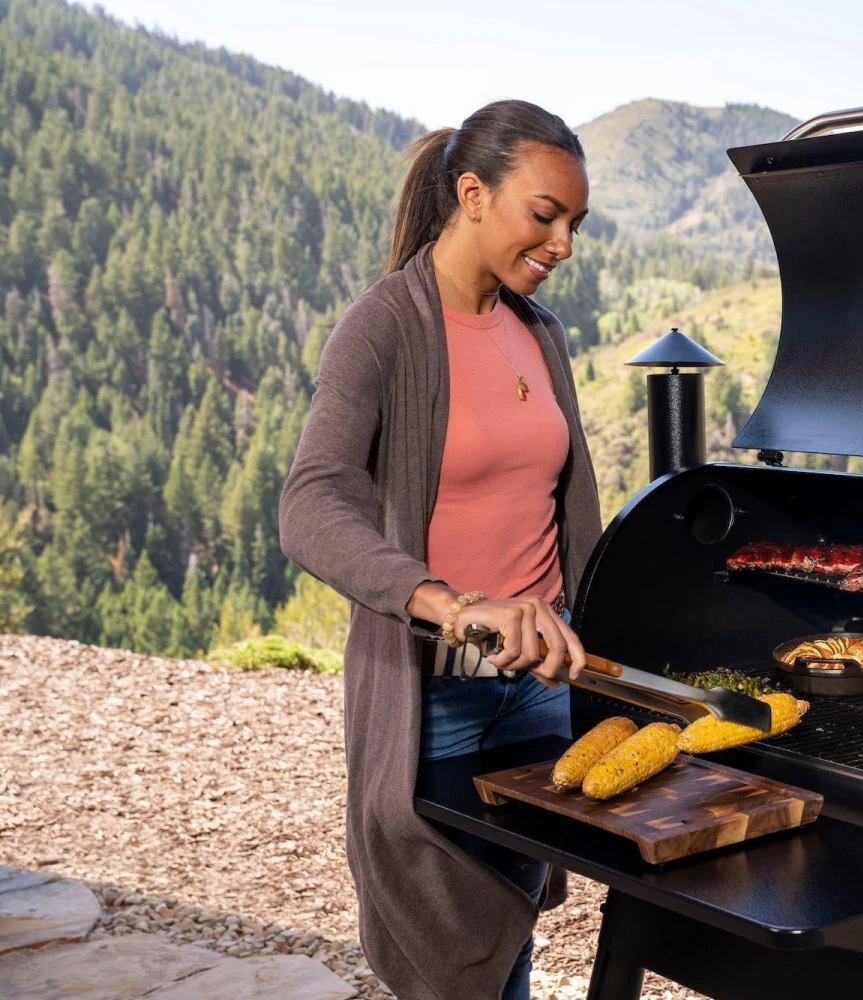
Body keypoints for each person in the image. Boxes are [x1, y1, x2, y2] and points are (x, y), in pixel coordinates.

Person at [278, 99, 603, 1000]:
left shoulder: (541, 332)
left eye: (575, 225)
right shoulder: (383, 327)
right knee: (444, 948)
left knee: (509, 925)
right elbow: (310, 503)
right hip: (434, 693)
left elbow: (561, 507)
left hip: (539, 683)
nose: (563, 244)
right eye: (546, 216)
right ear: (471, 195)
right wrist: (453, 606)